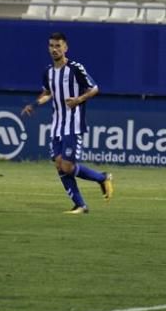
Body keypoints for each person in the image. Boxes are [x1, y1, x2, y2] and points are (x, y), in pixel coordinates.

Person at [21, 32, 114, 215]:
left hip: (73, 124)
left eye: (58, 46)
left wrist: (78, 100)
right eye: (51, 46)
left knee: (68, 167)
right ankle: (80, 205)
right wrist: (34, 105)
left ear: (65, 48)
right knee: (58, 164)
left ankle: (102, 178)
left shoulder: (75, 68)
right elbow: (48, 93)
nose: (54, 49)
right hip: (57, 125)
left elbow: (94, 89)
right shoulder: (47, 71)